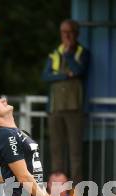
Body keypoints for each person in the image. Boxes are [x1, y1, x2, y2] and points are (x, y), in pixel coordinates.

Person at [43, 19, 90, 185]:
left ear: (76, 34)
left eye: (69, 32)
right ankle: (58, 191)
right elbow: (46, 76)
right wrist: (66, 75)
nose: (66, 35)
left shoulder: (82, 52)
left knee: (75, 153)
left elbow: (79, 70)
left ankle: (76, 193)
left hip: (74, 108)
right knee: (56, 151)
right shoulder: (55, 52)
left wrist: (69, 54)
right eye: (63, 32)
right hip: (55, 108)